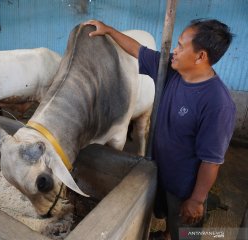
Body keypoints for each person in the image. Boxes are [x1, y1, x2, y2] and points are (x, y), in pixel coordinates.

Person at [84, 19, 235, 240]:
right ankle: (166, 234)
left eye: (181, 46)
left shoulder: (217, 104)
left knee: (184, 227)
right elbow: (138, 50)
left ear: (201, 56)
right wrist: (108, 30)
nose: (174, 50)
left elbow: (211, 160)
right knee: (165, 213)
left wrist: (196, 200)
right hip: (160, 169)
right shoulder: (171, 71)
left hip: (183, 185)